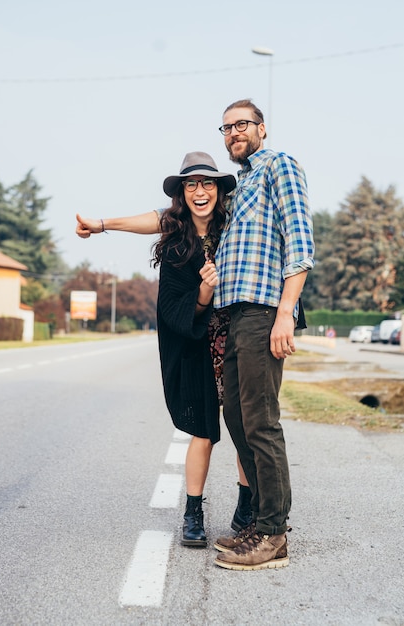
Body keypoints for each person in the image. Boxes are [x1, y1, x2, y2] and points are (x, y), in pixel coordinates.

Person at [76, 152, 252, 546]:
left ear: (221, 189)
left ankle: (246, 510)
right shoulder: (177, 242)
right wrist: (204, 291)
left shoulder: (237, 222)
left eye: (208, 183)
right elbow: (155, 223)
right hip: (198, 344)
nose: (199, 191)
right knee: (204, 432)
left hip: (240, 337)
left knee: (244, 429)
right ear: (182, 193)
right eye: (190, 184)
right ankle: (193, 515)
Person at [211, 99, 314, 570]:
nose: (234, 132)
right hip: (234, 315)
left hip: (264, 310)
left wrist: (285, 314)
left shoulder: (279, 166)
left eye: (242, 124)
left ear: (262, 129)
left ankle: (274, 535)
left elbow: (300, 242)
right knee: (236, 417)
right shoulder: (240, 185)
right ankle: (259, 520)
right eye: (227, 127)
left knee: (261, 421)